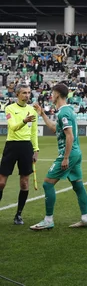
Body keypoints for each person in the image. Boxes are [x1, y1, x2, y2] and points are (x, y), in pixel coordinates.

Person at [30, 83, 87, 230]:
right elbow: (54, 129)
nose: (51, 96)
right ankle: (85, 218)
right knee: (78, 186)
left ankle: (48, 220)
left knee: (47, 183)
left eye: (52, 93)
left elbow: (69, 136)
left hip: (69, 153)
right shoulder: (68, 110)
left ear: (57, 94)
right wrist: (43, 114)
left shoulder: (64, 112)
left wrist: (65, 157)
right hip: (76, 153)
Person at [0, 84, 39, 225]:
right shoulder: (9, 108)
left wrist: (36, 150)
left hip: (26, 147)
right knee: (1, 182)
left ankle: (18, 215)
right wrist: (24, 121)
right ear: (17, 94)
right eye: (24, 93)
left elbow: (34, 132)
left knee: (24, 182)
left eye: (29, 93)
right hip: (11, 146)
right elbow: (13, 127)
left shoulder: (32, 110)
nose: (27, 95)